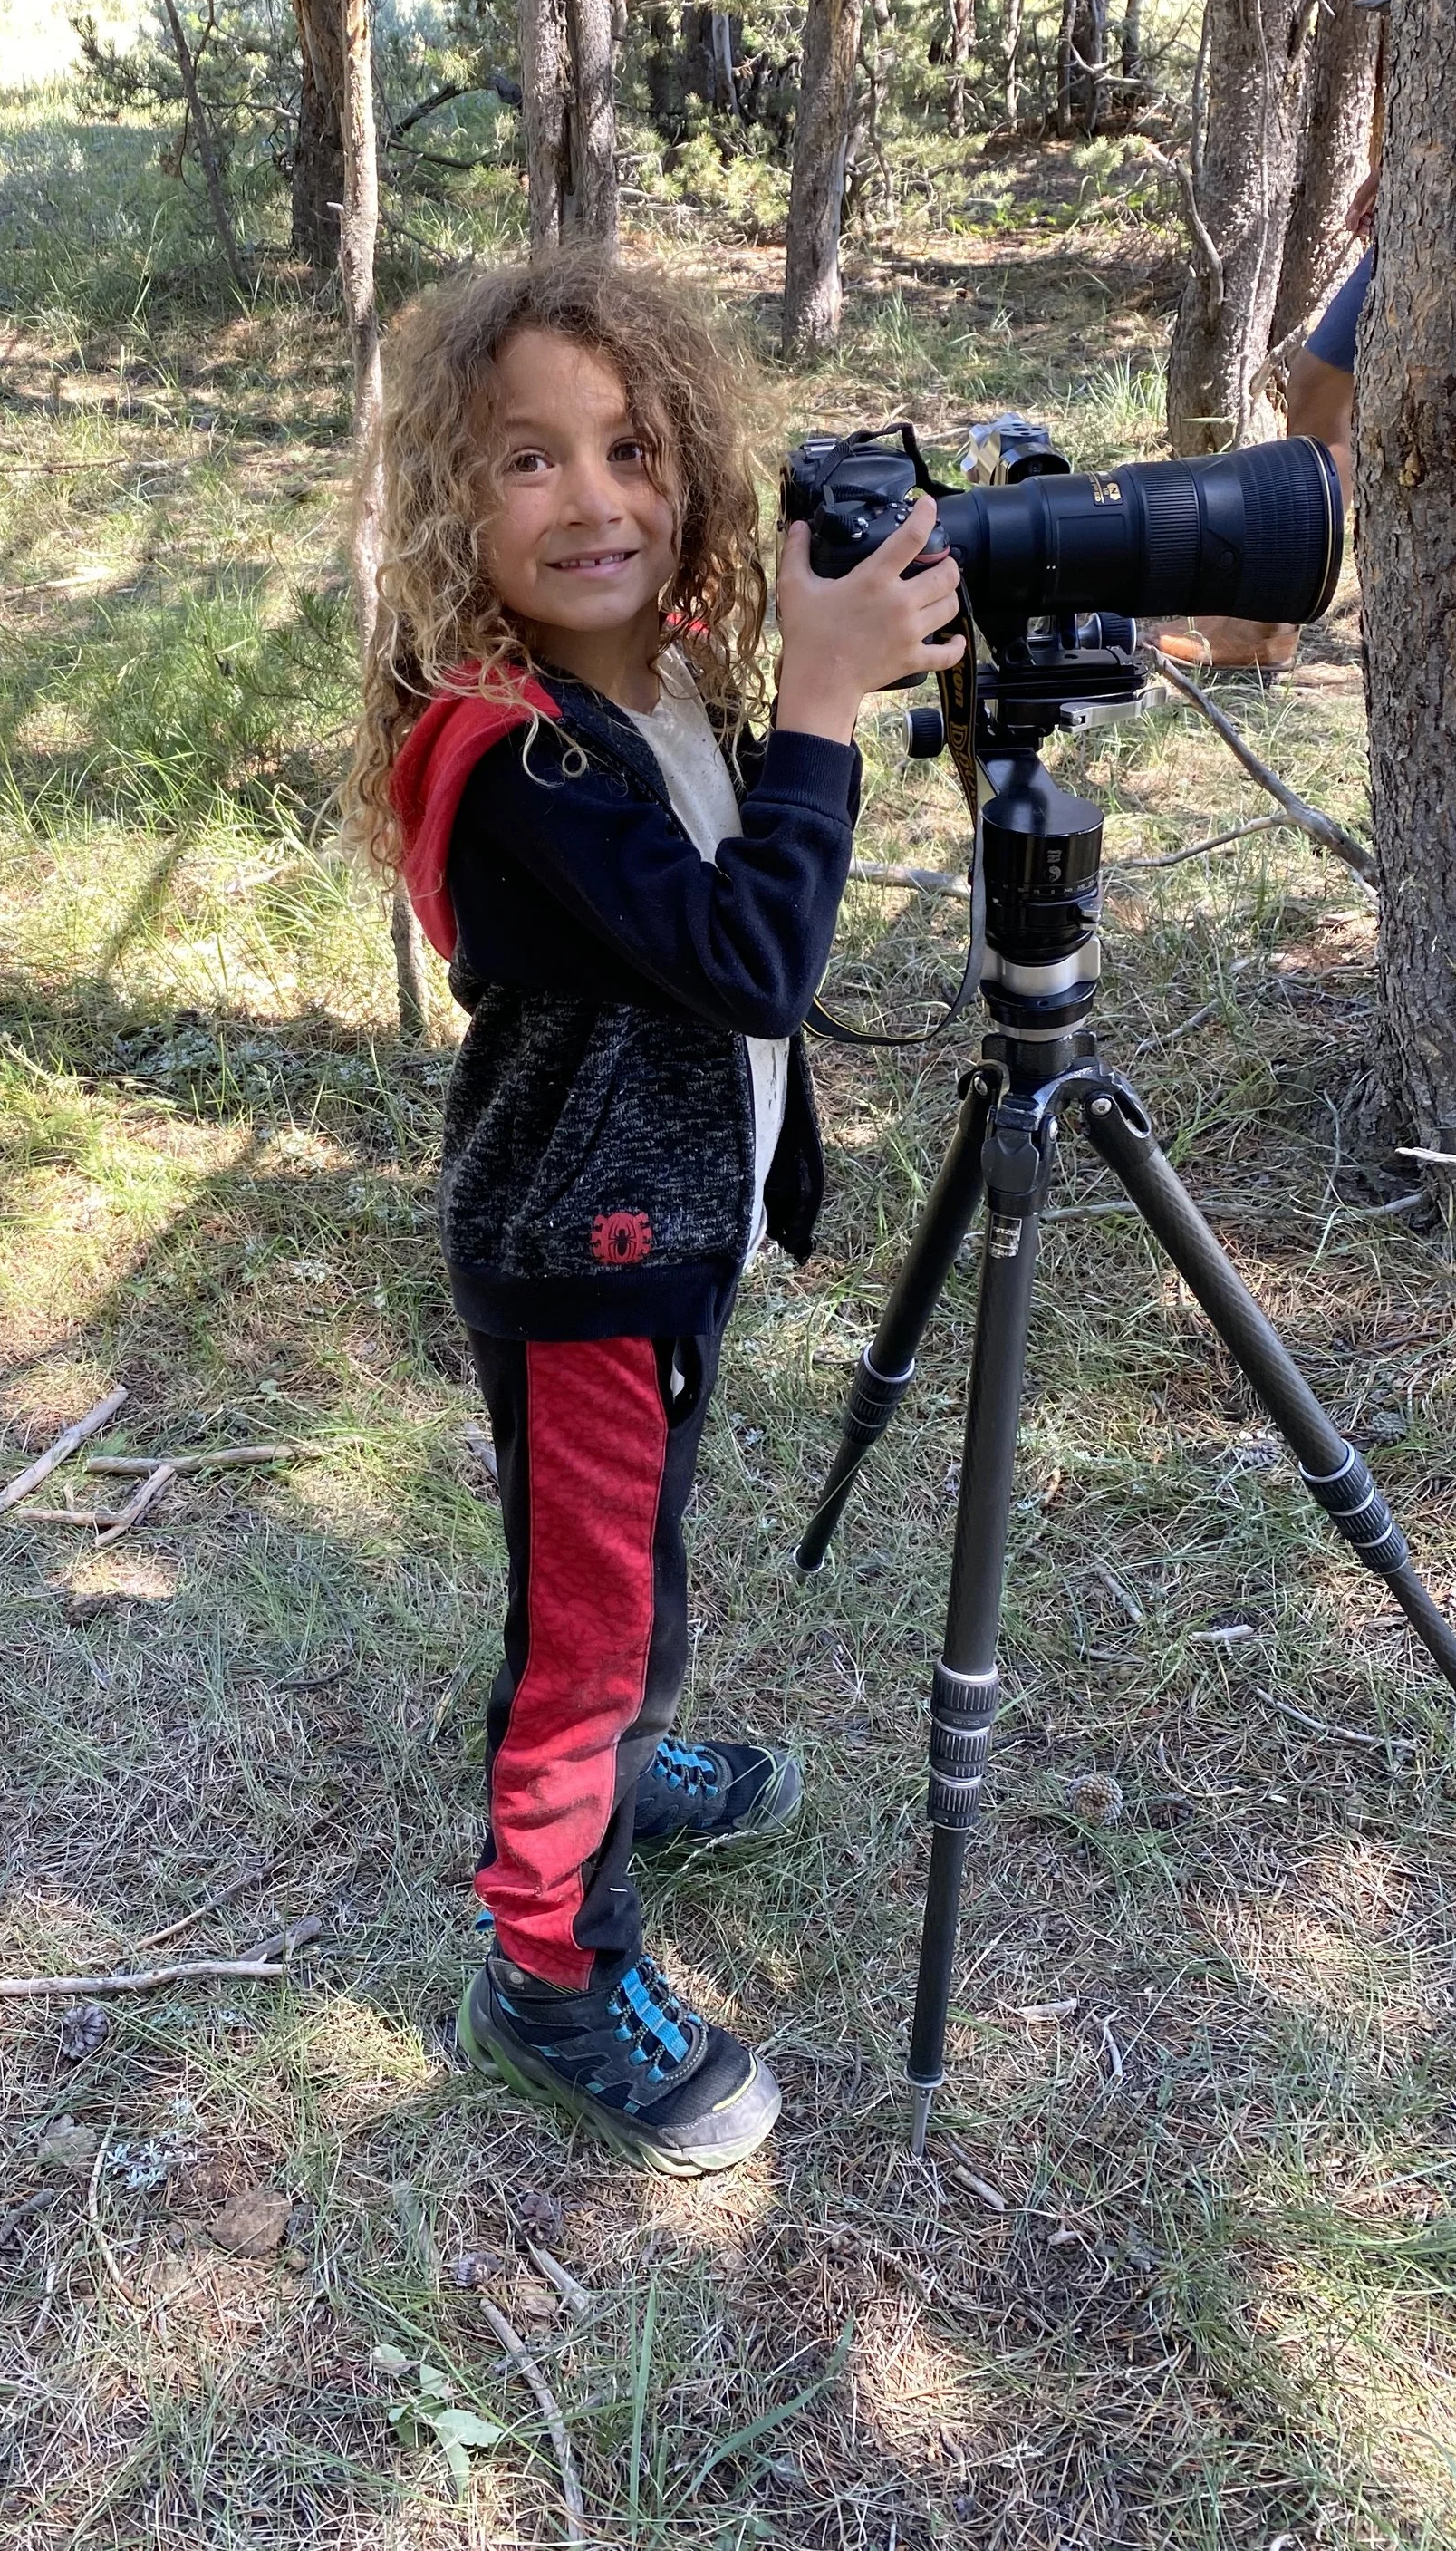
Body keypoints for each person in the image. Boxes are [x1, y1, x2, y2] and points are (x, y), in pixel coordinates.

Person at [345, 250, 965, 2176]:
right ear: (455, 509)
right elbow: (751, 956)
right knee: (583, 1626)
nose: (590, 495)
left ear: (689, 468)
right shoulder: (526, 755)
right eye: (524, 460)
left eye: (627, 447)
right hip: (581, 1265)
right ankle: (546, 1957)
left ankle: (618, 1764)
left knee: (633, 1568)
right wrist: (828, 708)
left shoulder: (648, 687)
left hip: (649, 1240)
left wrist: (805, 665)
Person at [1169, 0, 1422, 674]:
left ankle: (1293, 619)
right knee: (1320, 386)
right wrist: (1399, 172)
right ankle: (1269, 619)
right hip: (1423, 209)